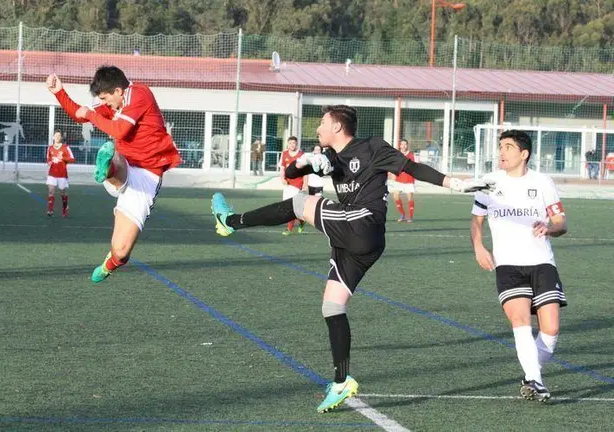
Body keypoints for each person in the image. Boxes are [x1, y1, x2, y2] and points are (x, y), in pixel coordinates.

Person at [210, 105, 493, 413]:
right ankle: (341, 382)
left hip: (363, 223)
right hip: (358, 241)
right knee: (332, 307)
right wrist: (305, 162)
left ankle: (231, 221)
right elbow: (290, 175)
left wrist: (456, 184)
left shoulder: (372, 147)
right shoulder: (329, 157)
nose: (318, 128)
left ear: (337, 127)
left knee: (300, 203)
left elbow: (412, 168)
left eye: (322, 122)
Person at [46, 66, 181, 283]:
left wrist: (90, 114)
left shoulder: (139, 93)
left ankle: (109, 265)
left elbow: (119, 130)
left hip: (148, 174)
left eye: (105, 98)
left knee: (121, 251)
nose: (104, 103)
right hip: (126, 163)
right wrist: (59, 92)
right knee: (116, 157)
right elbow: (80, 114)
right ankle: (107, 167)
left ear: (118, 91)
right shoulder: (114, 104)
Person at [471, 130, 567, 403]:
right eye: (501, 146)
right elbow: (476, 220)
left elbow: (561, 223)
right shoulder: (489, 182)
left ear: (524, 154)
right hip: (508, 265)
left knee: (551, 329)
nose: (501, 152)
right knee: (521, 320)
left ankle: (530, 376)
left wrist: (550, 228)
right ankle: (536, 382)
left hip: (542, 262)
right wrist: (478, 247)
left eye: (508, 147)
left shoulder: (543, 182)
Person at [279, 136, 306, 235]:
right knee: (288, 206)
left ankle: (289, 228)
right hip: (287, 183)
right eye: (290, 143)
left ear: (296, 144)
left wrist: (305, 184)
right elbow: (282, 168)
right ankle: (302, 222)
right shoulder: (284, 153)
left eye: (294, 143)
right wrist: (282, 178)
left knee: (292, 206)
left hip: (297, 183)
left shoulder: (301, 155)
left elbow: (305, 171)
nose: (292, 145)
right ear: (287, 144)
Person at [46, 130, 75, 217]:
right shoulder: (50, 148)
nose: (57, 137)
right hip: (52, 173)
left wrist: (62, 157)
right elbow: (48, 158)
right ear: (53, 137)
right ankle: (50, 210)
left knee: (62, 193)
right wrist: (49, 162)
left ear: (61, 137)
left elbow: (72, 159)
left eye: (59, 136)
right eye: (56, 136)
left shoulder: (65, 147)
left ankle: (65, 208)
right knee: (51, 191)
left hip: (62, 174)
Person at [387, 138, 416, 222]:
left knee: (409, 197)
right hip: (399, 179)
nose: (403, 146)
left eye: (405, 144)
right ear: (400, 146)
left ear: (407, 145)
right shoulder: (397, 154)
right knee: (395, 195)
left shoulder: (411, 155)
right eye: (402, 144)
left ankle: (410, 216)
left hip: (408, 179)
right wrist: (390, 171)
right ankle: (402, 214)